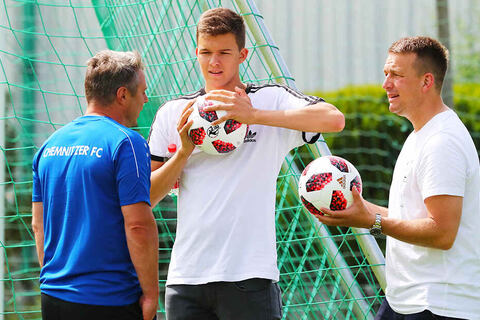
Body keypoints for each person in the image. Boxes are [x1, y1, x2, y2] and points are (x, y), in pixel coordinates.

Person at [148, 7, 345, 320]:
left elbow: (334, 119)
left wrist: (252, 116)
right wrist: (184, 151)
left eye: (224, 52)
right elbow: (148, 197)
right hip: (187, 280)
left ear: (242, 54)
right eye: (206, 52)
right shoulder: (174, 113)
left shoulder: (270, 99)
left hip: (250, 277)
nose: (214, 62)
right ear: (195, 52)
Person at [316, 36, 480, 319]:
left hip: (439, 304)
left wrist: (371, 221)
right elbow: (411, 217)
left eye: (396, 75)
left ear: (426, 82)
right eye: (385, 74)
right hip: (404, 301)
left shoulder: (442, 142)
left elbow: (442, 233)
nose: (386, 84)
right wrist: (358, 208)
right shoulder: (420, 135)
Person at [32, 50, 163, 320]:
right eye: (142, 92)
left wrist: (59, 279)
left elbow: (38, 224)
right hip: (109, 300)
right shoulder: (127, 142)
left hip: (53, 296)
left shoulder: (49, 146)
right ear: (123, 95)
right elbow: (138, 225)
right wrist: (151, 294)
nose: (146, 99)